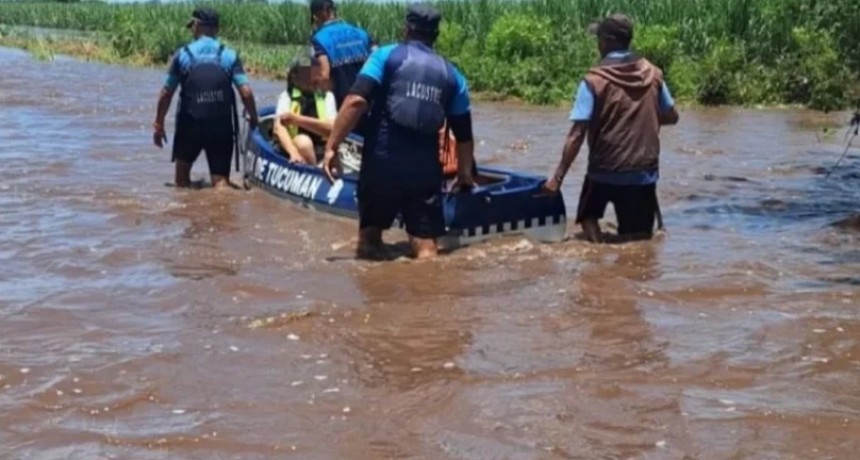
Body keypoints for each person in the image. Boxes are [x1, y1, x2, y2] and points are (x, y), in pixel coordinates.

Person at [322, 3, 476, 260]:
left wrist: (331, 147)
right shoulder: (453, 76)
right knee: (427, 249)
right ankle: (429, 285)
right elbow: (464, 135)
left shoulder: (385, 56)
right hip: (424, 169)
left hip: (382, 162)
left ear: (405, 29)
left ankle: (376, 282)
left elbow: (356, 102)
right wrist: (464, 175)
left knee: (370, 241)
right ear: (436, 35)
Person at [542, 13, 679, 242]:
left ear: (607, 41)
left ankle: (596, 252)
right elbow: (672, 117)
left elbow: (577, 134)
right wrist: (642, 118)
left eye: (599, 39)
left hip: (604, 171)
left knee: (587, 217)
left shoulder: (594, 80)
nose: (598, 44)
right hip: (643, 173)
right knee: (639, 239)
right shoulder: (653, 74)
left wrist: (557, 178)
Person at [153, 7, 258, 188]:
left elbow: (166, 93)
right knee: (221, 184)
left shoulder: (183, 55)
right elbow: (246, 92)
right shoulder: (229, 55)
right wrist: (254, 118)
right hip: (221, 126)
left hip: (189, 125)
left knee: (181, 182)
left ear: (196, 25)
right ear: (217, 29)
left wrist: (159, 124)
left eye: (192, 26)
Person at [309, 0, 375, 109]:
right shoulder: (362, 32)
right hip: (368, 100)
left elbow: (324, 76)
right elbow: (377, 61)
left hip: (343, 105)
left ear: (316, 16)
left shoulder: (318, 39)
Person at [272, 56, 338, 165]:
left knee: (335, 154)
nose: (314, 78)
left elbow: (332, 129)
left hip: (321, 148)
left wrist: (297, 119)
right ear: (295, 78)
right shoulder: (286, 97)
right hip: (296, 146)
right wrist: (293, 152)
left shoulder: (327, 97)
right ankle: (312, 170)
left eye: (316, 73)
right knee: (304, 142)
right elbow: (278, 128)